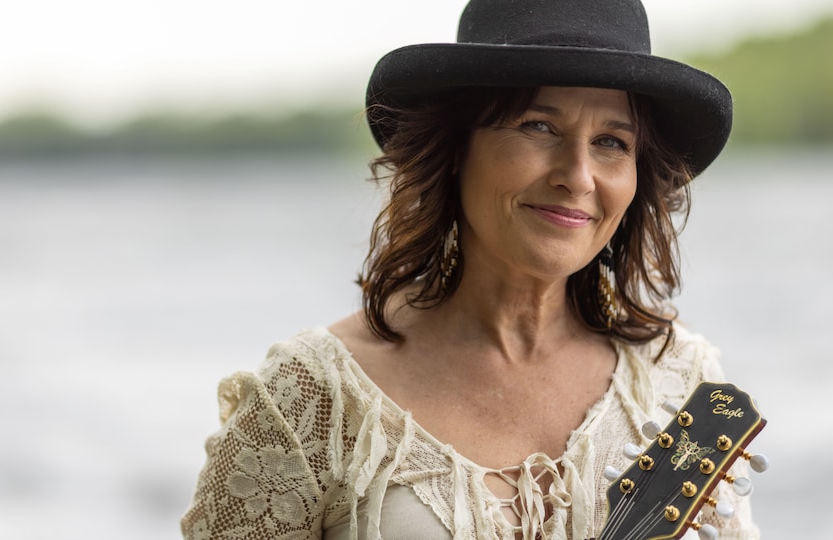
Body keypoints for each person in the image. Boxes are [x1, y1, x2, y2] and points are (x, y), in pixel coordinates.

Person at [180, 0, 759, 538]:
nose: (578, 176)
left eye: (611, 141)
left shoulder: (679, 382)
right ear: (455, 149)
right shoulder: (311, 398)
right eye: (539, 127)